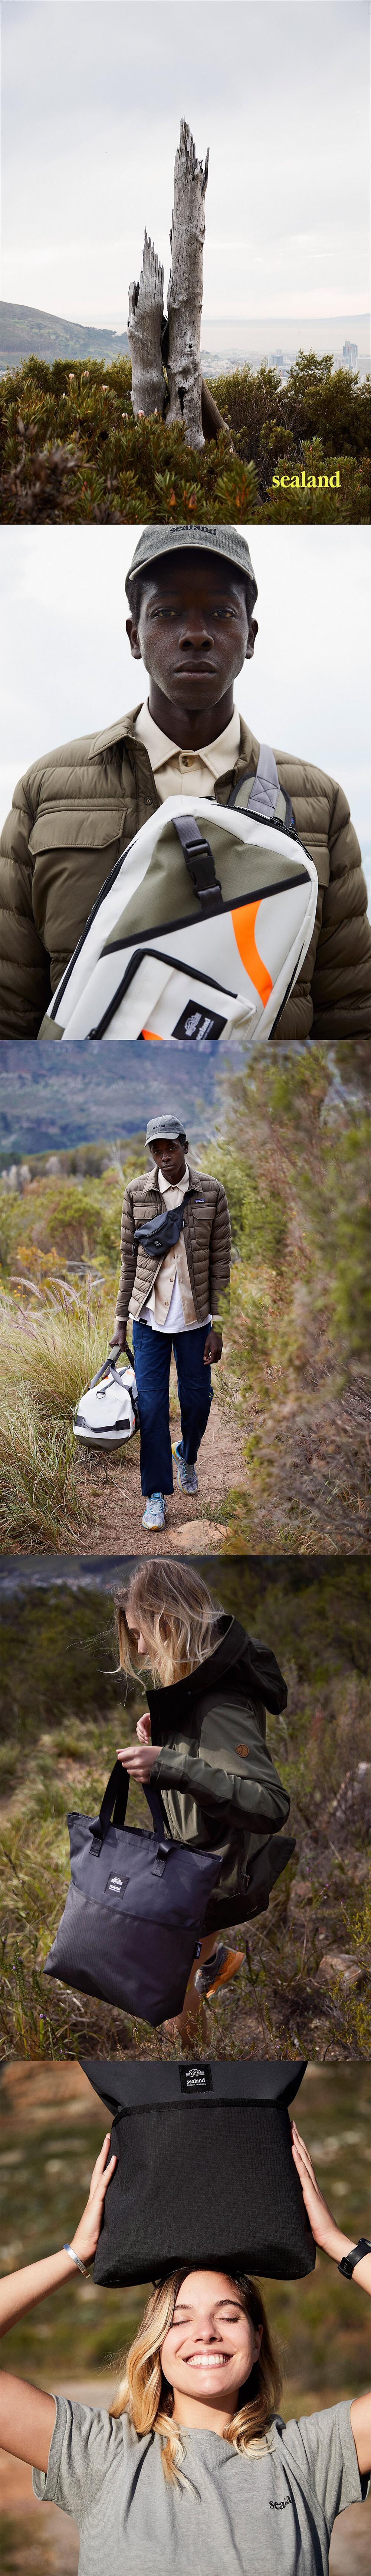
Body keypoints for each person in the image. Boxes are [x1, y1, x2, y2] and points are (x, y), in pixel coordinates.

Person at [0, 523, 369, 1042]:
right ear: (134, 636)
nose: (196, 634)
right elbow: (10, 1004)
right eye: (167, 613)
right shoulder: (47, 789)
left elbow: (350, 1019)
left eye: (221, 613)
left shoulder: (319, 801)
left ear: (251, 637)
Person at [0, 2124, 370, 2576]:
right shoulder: (99, 2453)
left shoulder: (311, 2456)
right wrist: (77, 2253)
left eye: (228, 2316)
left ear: (257, 2340)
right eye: (179, 2320)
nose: (205, 2332)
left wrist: (337, 2243)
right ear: (156, 2344)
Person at [114, 1561, 292, 2041]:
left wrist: (172, 1764)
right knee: (168, 1961)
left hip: (212, 1870)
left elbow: (270, 1804)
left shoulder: (220, 1703)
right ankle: (212, 1962)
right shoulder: (203, 1686)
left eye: (140, 1634)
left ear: (167, 1623)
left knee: (165, 1978)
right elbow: (211, 1754)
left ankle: (191, 2060)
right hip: (198, 1858)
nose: (141, 1649)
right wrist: (173, 1734)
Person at [111, 1110, 231, 1531]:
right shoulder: (136, 1192)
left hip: (196, 1321)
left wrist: (219, 1325)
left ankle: (188, 1455)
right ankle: (156, 1495)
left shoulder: (211, 1192)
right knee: (153, 1407)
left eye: (171, 1148)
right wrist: (120, 1322)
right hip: (147, 1320)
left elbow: (221, 1262)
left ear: (185, 1146)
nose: (165, 1156)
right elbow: (128, 1263)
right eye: (157, 1150)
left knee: (197, 1402)